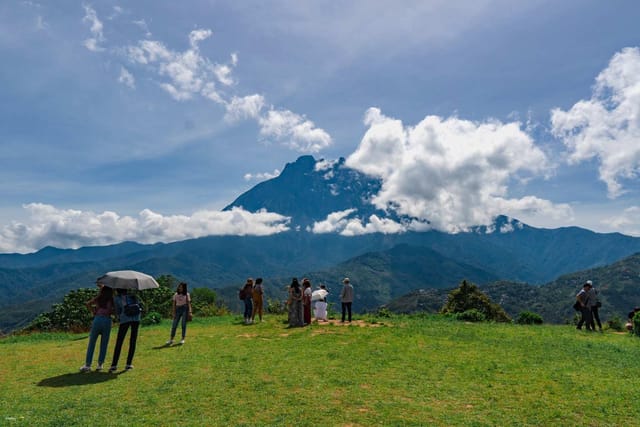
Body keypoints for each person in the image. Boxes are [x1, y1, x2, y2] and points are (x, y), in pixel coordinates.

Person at [80, 285, 114, 372]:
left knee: (92, 342)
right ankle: (100, 364)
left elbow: (87, 304)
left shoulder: (99, 298)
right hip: (107, 320)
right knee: (104, 343)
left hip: (97, 319)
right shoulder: (112, 299)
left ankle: (88, 365)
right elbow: (115, 311)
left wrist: (93, 311)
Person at [109, 289, 141, 372]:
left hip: (124, 319)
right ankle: (128, 364)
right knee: (133, 341)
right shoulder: (133, 295)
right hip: (136, 318)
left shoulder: (117, 298)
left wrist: (118, 318)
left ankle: (114, 365)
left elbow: (118, 311)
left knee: (119, 341)